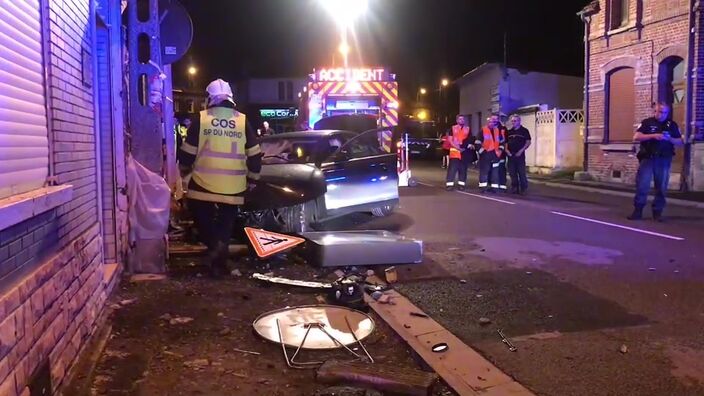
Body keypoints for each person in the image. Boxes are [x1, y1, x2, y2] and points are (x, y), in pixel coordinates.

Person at [178, 79, 262, 277]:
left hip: (202, 185)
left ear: (209, 98)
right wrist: (253, 179)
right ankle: (219, 259)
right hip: (234, 187)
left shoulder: (202, 119)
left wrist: (184, 170)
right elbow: (255, 154)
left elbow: (186, 154)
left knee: (202, 220)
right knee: (225, 225)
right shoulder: (242, 121)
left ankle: (215, 250)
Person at [628, 102, 683, 221]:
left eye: (662, 112)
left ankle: (657, 212)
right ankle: (638, 211)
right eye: (657, 111)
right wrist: (653, 136)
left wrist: (670, 139)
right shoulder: (647, 123)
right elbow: (636, 137)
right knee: (642, 185)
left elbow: (680, 142)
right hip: (648, 158)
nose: (659, 114)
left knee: (661, 187)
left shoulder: (672, 125)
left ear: (667, 113)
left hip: (664, 159)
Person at [476, 114, 507, 193]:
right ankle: (483, 188)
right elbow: (477, 143)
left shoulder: (497, 131)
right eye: (490, 122)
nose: (491, 124)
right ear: (487, 123)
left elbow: (502, 142)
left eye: (493, 122)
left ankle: (494, 188)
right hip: (486, 155)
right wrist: (482, 152)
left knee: (495, 172)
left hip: (495, 155)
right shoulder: (483, 130)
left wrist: (500, 150)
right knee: (484, 171)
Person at [505, 114, 532, 194]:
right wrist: (507, 150)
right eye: (512, 121)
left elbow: (528, 142)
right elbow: (506, 142)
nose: (513, 122)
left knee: (521, 172)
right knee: (512, 172)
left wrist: (521, 151)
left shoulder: (524, 131)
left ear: (519, 121)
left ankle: (523, 188)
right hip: (511, 155)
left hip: (520, 155)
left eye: (515, 121)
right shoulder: (509, 131)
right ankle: (514, 187)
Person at [445, 115, 471, 191]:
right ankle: (449, 185)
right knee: (452, 169)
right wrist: (457, 147)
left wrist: (465, 147)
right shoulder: (452, 128)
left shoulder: (468, 129)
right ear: (457, 120)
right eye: (460, 119)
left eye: (463, 119)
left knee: (463, 169)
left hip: (464, 152)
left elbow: (470, 139)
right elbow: (450, 140)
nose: (462, 120)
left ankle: (461, 185)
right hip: (455, 152)